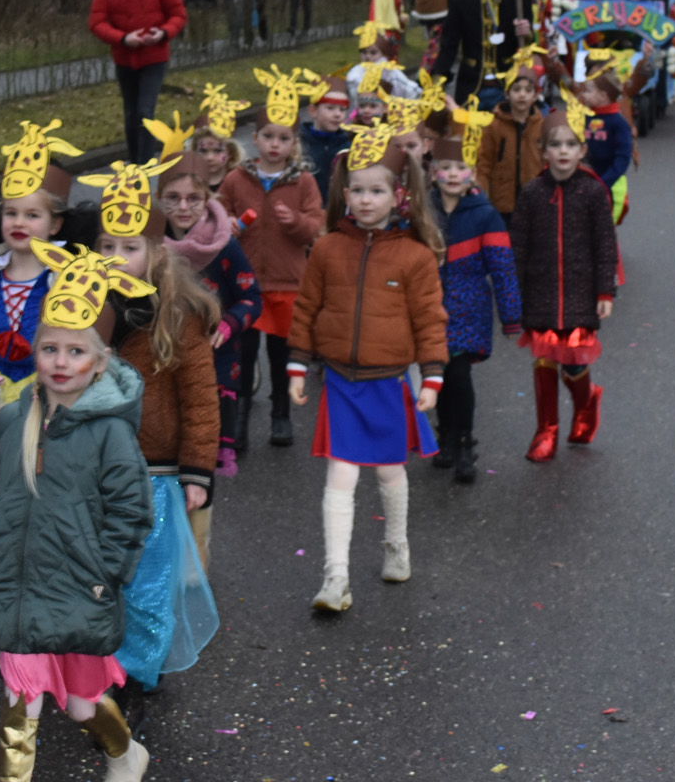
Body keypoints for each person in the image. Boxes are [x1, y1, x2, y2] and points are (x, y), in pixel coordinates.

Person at [0, 254, 156, 782]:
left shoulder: (111, 435)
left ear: (99, 361)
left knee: (79, 705)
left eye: (76, 351)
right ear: (35, 354)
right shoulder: (13, 417)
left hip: (79, 588)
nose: (60, 362)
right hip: (16, 590)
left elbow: (131, 511)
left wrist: (107, 576)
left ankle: (127, 757)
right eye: (49, 349)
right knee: (21, 710)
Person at [287, 128, 447, 611]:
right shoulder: (328, 248)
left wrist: (433, 376)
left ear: (400, 194)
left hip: (389, 381)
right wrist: (297, 363)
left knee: (390, 472)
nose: (364, 199)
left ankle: (396, 543)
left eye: (376, 190)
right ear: (344, 193)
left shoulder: (416, 255)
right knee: (341, 476)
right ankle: (335, 577)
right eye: (356, 189)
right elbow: (306, 308)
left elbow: (429, 318)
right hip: (339, 380)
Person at [91, 176, 220, 710]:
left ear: (154, 251)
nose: (116, 258)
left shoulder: (177, 314)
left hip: (156, 471)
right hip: (91, 469)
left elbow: (200, 396)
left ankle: (139, 675)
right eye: (106, 247)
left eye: (129, 248)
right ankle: (94, 663)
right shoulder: (81, 304)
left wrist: (196, 469)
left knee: (147, 579)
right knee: (97, 574)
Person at [0, 121, 96, 410]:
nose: (19, 222)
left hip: (47, 401)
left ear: (55, 224)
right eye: (11, 213)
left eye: (32, 215)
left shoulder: (68, 278)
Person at [219, 68, 326, 448]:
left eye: (283, 138)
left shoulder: (303, 181)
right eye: (268, 137)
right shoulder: (237, 178)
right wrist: (228, 223)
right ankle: (242, 418)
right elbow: (219, 210)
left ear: (294, 142)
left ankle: (281, 413)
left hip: (286, 282)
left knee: (283, 353)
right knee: (244, 356)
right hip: (245, 284)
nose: (275, 144)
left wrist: (295, 221)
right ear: (255, 139)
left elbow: (316, 224)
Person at [511, 108, 618, 463]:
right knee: (544, 360)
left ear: (582, 150)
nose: (563, 152)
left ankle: (586, 404)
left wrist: (605, 291)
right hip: (540, 294)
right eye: (555, 144)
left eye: (571, 144)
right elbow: (519, 247)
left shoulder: (592, 192)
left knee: (573, 362)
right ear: (543, 151)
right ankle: (547, 432)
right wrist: (514, 296)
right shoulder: (531, 193)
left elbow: (605, 245)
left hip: (579, 294)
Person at [426, 138, 521, 482]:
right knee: (437, 377)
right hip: (430, 307)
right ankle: (446, 435)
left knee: (459, 375)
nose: (453, 175)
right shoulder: (424, 212)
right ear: (433, 173)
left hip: (469, 308)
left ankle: (464, 440)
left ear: (472, 174)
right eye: (445, 168)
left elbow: (502, 266)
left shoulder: (485, 215)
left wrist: (511, 315)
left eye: (460, 168)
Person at [160, 152, 260, 476]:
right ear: (159, 199)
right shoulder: (147, 244)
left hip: (214, 359)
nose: (184, 208)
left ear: (207, 199)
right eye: (172, 198)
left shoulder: (223, 245)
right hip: (166, 357)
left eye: (194, 198)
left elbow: (250, 297)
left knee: (201, 461)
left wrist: (230, 324)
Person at [88, 0, 188, 165]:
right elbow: (96, 22)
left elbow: (178, 14)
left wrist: (163, 32)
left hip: (154, 57)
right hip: (125, 58)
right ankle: (134, 164)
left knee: (145, 111)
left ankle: (144, 165)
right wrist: (123, 38)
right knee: (131, 114)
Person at [432, 0, 529, 109]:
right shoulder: (460, 2)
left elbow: (529, 47)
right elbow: (449, 45)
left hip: (507, 85)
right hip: (471, 84)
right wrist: (437, 80)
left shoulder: (519, 1)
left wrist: (527, 33)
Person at [476, 67, 545, 217]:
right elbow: (484, 162)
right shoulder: (493, 125)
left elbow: (546, 162)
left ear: (535, 95)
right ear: (507, 93)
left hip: (533, 202)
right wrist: (479, 195)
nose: (522, 95)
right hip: (502, 202)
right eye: (516, 89)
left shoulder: (541, 126)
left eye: (528, 90)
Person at [577, 72, 635, 222]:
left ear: (603, 96)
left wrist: (603, 182)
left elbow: (623, 158)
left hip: (609, 184)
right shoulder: (586, 117)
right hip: (585, 182)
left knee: (603, 229)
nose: (585, 94)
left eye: (589, 91)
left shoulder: (618, 123)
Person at [301, 77, 356, 202]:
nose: (337, 114)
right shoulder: (299, 144)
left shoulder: (348, 147)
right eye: (330, 108)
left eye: (342, 110)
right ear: (313, 111)